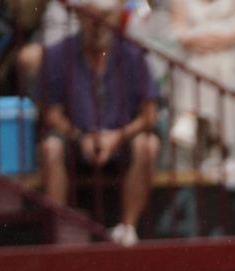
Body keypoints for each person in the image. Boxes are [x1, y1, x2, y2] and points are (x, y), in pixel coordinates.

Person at [38, 0, 161, 244]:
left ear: (116, 16)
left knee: (148, 145)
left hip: (121, 139)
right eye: (91, 16)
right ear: (80, 17)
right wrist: (79, 137)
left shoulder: (133, 54)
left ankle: (127, 228)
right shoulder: (56, 54)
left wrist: (117, 136)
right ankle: (60, 233)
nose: (98, 23)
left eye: (104, 15)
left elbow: (150, 114)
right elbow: (50, 112)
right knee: (50, 147)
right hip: (75, 139)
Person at [167, 0, 235, 188]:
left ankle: (189, 115)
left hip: (231, 55)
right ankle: (224, 146)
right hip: (193, 54)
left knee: (221, 65)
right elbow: (177, 30)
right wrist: (196, 40)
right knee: (203, 64)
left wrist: (219, 40)